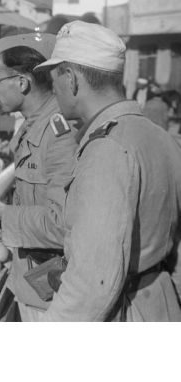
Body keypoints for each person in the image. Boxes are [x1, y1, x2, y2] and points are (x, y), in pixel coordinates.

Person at [30, 21, 181, 321]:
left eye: (53, 78)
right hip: (159, 302)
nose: (53, 89)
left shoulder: (107, 149)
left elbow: (92, 282)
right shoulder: (159, 136)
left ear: (71, 79)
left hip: (122, 310)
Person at [0, 33, 78, 322]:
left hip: (54, 291)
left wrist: (4, 213)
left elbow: (66, 225)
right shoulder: (31, 128)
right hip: (35, 280)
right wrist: (7, 227)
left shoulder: (60, 135)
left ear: (22, 82)